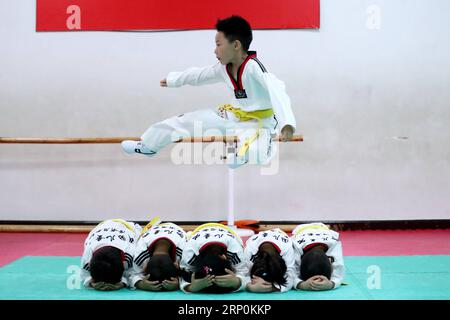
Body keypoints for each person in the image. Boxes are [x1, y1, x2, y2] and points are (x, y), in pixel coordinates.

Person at [121, 15, 297, 168]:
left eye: (218, 44)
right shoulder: (223, 69)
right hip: (235, 115)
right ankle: (148, 145)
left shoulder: (253, 68)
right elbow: (199, 75)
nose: (215, 50)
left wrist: (286, 124)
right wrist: (174, 80)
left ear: (236, 45)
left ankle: (242, 156)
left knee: (259, 154)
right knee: (187, 121)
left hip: (262, 123)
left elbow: (278, 90)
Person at [179, 223, 249, 293]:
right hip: (199, 234)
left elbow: (246, 274)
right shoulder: (190, 253)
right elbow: (183, 273)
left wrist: (236, 282)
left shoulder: (236, 251)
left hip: (229, 234)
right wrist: (192, 287)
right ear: (224, 257)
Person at [80, 218, 141, 291]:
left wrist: (123, 283)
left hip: (131, 228)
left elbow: (135, 273)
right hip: (102, 226)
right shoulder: (88, 256)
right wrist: (91, 282)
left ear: (122, 264)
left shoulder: (130, 252)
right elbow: (84, 275)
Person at [129, 217, 187, 291]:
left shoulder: (184, 251)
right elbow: (130, 274)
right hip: (155, 229)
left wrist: (178, 282)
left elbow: (192, 271)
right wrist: (141, 284)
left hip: (175, 229)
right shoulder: (141, 252)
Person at [291, 222, 345, 291]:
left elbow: (339, 272)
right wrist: (301, 284)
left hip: (323, 229)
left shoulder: (334, 244)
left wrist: (331, 284)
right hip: (300, 231)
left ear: (330, 261)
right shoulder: (295, 246)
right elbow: (290, 273)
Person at [244, 228, 296, 292]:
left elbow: (290, 277)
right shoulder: (249, 250)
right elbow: (244, 274)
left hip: (283, 235)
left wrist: (273, 288)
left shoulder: (287, 249)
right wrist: (248, 286)